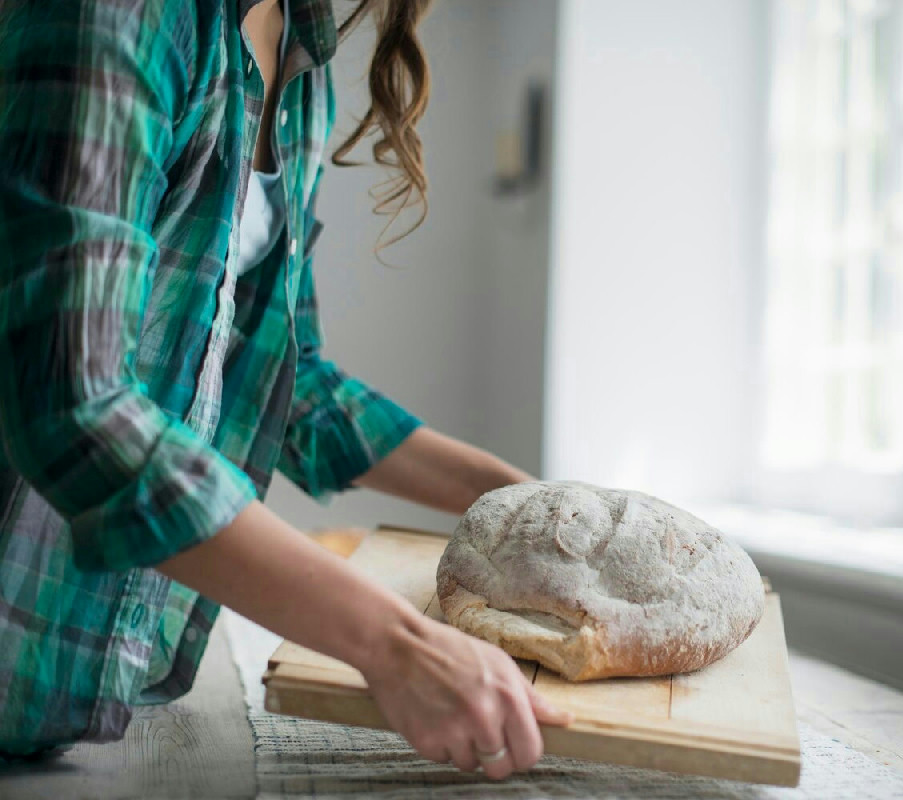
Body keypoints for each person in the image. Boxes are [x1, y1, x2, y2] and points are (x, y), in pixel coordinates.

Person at [0, 0, 571, 779]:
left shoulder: (298, 61)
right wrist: (390, 643)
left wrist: (528, 504)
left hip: (44, 692)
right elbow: (74, 403)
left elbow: (283, 373)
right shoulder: (124, 16)